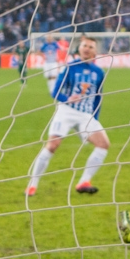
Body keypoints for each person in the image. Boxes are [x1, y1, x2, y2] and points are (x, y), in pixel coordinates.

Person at [27, 35, 108, 197]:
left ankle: (84, 181)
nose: (87, 49)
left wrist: (95, 118)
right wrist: (67, 98)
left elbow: (98, 96)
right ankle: (32, 184)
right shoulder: (70, 67)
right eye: (84, 45)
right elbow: (55, 91)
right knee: (52, 145)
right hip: (66, 111)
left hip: (86, 115)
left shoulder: (99, 72)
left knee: (103, 144)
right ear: (79, 48)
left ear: (95, 52)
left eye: (91, 47)